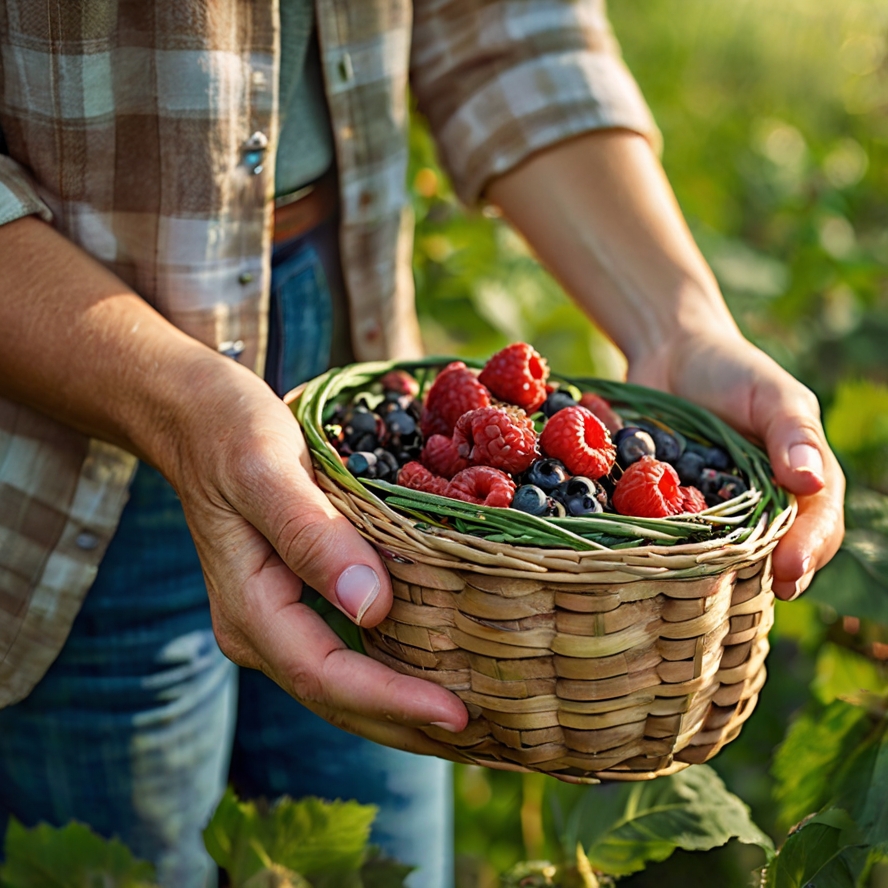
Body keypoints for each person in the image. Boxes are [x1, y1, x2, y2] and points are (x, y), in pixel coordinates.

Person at [0, 2, 844, 887]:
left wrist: (678, 323)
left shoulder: (442, 458)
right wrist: (179, 404)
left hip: (368, 442)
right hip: (66, 425)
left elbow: (505, 25)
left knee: (381, 856)